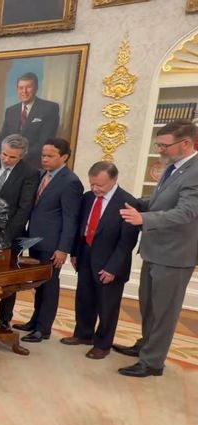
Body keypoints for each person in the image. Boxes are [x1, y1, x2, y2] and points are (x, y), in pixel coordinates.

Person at [116, 119, 198, 377]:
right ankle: (146, 346)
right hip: (155, 250)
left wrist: (144, 219)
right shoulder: (175, 167)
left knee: (164, 312)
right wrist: (136, 202)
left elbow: (186, 212)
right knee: (149, 307)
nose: (160, 149)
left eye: (164, 145)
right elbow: (163, 199)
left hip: (174, 255)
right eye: (158, 144)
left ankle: (152, 362)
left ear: (186, 144)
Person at [61, 162, 139, 359]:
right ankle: (83, 334)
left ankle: (103, 344)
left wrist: (113, 268)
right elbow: (81, 228)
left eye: (100, 185)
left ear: (113, 180)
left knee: (107, 305)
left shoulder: (127, 202)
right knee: (84, 298)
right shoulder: (87, 198)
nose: (95, 188)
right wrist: (75, 253)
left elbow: (127, 242)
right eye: (92, 184)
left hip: (111, 261)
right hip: (86, 254)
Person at [15, 138, 83, 343]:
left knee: (50, 286)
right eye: (43, 155)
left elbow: (71, 219)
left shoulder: (70, 182)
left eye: (50, 156)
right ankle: (35, 321)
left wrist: (63, 249)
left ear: (64, 157)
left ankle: (43, 329)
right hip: (36, 241)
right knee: (40, 284)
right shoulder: (43, 175)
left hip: (53, 245)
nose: (44, 159)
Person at [0, 134, 39, 331]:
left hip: (9, 237)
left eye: (12, 157)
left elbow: (24, 209)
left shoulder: (29, 173)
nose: (6, 159)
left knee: (7, 282)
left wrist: (4, 237)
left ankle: (4, 320)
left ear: (22, 156)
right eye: (4, 154)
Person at [0, 73, 60, 169]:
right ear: (17, 90)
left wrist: (18, 156)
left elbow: (45, 141)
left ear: (36, 88)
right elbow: (3, 136)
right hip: (8, 160)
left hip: (33, 162)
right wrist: (1, 154)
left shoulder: (49, 108)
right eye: (21, 88)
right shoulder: (11, 110)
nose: (24, 91)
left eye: (28, 87)